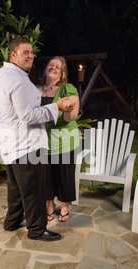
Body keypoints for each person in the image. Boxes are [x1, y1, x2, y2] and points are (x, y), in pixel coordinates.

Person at [0, 36, 74, 241]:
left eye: (31, 52)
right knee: (34, 190)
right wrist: (57, 107)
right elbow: (27, 115)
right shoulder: (18, 79)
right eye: (25, 52)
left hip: (9, 142)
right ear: (13, 54)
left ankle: (11, 222)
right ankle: (37, 230)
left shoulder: (2, 74)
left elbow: (8, 108)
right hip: (25, 144)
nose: (30, 56)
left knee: (16, 188)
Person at [38, 56, 80, 222]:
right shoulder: (35, 89)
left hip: (64, 141)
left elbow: (71, 116)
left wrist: (69, 108)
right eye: (51, 64)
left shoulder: (67, 88)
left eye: (58, 66)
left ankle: (64, 206)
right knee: (46, 176)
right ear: (45, 69)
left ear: (62, 74)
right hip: (42, 141)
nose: (53, 67)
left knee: (64, 175)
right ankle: (49, 205)